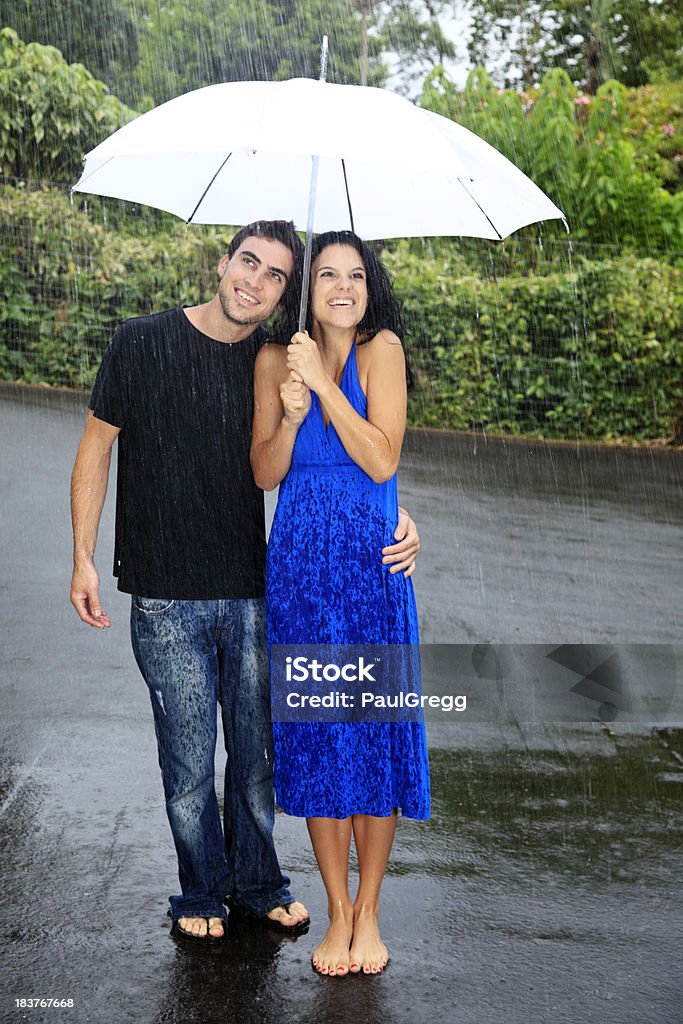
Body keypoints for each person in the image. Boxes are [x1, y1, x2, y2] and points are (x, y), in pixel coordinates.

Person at [69, 221, 421, 944]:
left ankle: (296, 894)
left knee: (283, 754)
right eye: (250, 264)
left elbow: (369, 462)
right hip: (223, 582)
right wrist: (81, 556)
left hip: (302, 580)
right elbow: (110, 451)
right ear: (224, 263)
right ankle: (218, 894)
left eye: (276, 275)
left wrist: (394, 512)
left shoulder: (326, 353)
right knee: (224, 755)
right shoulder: (183, 348)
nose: (256, 282)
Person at [251, 230, 430, 976]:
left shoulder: (378, 350)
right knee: (322, 739)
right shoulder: (273, 359)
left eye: (355, 275)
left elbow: (382, 456)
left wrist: (324, 389)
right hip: (300, 569)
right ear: (307, 290)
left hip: (371, 569)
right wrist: (292, 413)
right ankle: (335, 909)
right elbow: (264, 474)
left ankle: (370, 911)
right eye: (326, 274)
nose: (342, 287)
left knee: (375, 741)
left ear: (369, 287)